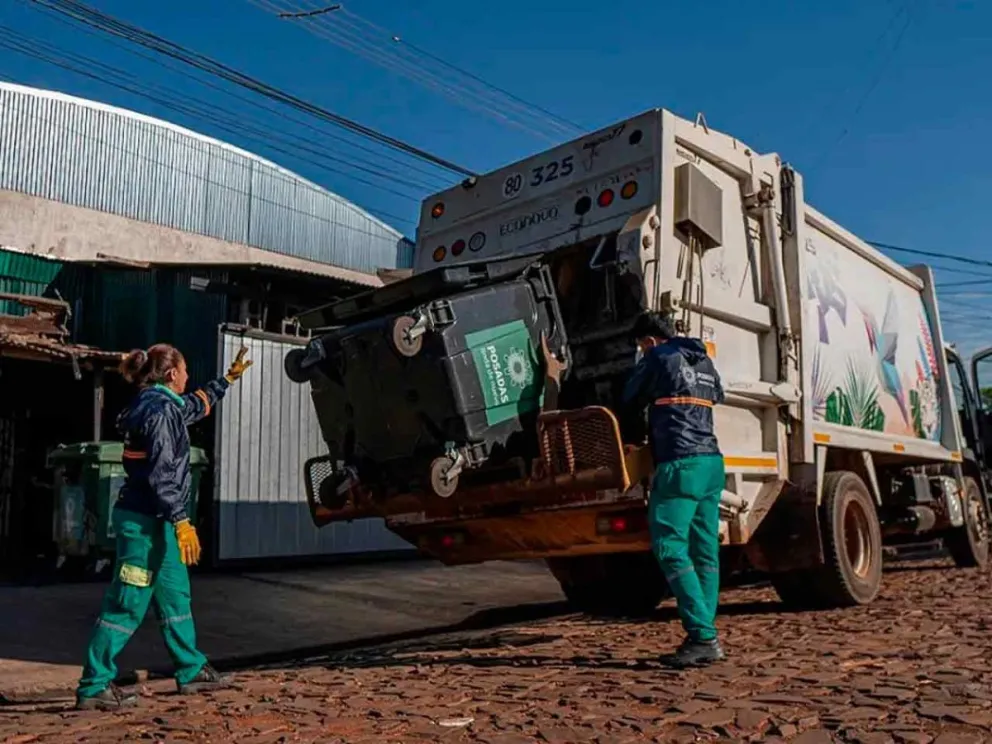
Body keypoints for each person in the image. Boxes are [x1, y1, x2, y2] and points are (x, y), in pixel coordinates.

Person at [75, 343, 253, 711]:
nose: (188, 378)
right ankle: (94, 685)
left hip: (157, 522)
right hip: (144, 524)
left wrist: (227, 381)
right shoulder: (158, 413)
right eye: (185, 371)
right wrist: (182, 520)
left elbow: (195, 406)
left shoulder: (162, 405)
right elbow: (161, 475)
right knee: (127, 604)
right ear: (172, 374)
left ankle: (190, 669)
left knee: (175, 596)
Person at [622, 312, 726, 668]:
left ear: (649, 340)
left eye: (640, 344)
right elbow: (719, 396)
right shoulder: (705, 362)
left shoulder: (657, 357)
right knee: (705, 551)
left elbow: (630, 399)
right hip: (712, 464)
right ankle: (705, 631)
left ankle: (703, 636)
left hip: (680, 463)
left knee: (669, 547)